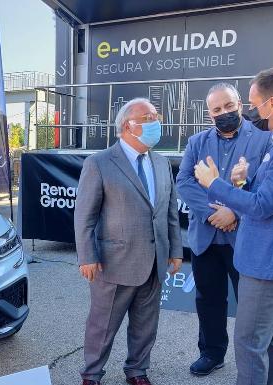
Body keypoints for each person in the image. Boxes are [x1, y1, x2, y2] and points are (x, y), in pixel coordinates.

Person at [194, 67, 273, 385]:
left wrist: (216, 184)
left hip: (267, 264)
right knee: (271, 340)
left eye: (254, 103)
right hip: (268, 260)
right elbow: (268, 195)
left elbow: (263, 207)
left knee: (249, 345)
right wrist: (243, 181)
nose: (252, 111)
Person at [75, 98, 183, 385]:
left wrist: (175, 251)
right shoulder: (99, 163)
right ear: (128, 126)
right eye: (148, 117)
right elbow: (84, 215)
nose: (156, 122)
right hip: (114, 262)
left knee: (145, 324)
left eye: (156, 116)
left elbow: (169, 211)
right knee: (103, 325)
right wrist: (87, 256)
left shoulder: (161, 162)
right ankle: (92, 374)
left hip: (154, 261)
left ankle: (137, 371)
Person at [176, 83, 271, 376]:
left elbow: (265, 187)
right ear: (209, 114)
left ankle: (253, 361)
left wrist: (234, 212)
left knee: (251, 305)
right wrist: (212, 213)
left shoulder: (264, 141)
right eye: (216, 109)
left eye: (228, 106)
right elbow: (184, 182)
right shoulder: (196, 142)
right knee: (208, 300)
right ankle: (212, 353)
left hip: (245, 238)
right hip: (206, 237)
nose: (224, 113)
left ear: (240, 104)